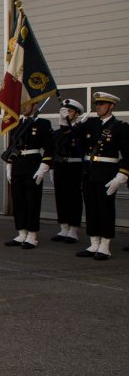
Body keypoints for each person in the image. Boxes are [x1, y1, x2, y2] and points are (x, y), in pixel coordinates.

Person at [72, 92, 129, 260]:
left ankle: (105, 245)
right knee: (91, 208)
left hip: (107, 172)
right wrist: (69, 121)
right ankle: (94, 243)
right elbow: (72, 135)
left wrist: (122, 174)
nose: (98, 106)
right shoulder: (90, 124)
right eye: (97, 104)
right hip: (90, 171)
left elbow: (128, 153)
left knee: (105, 208)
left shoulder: (120, 127)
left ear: (111, 106)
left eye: (102, 104)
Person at [4, 101, 54, 249]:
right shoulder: (17, 124)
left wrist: (43, 167)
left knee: (32, 200)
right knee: (18, 200)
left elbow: (50, 147)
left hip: (33, 163)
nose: (23, 107)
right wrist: (9, 166)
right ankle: (21, 233)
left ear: (35, 105)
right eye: (22, 104)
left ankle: (32, 235)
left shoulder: (43, 123)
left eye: (27, 104)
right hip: (18, 163)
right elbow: (12, 146)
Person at [51, 98, 85, 243]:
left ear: (77, 114)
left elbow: (77, 140)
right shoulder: (57, 132)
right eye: (64, 112)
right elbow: (54, 150)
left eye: (70, 111)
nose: (66, 114)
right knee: (61, 197)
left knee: (74, 198)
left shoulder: (81, 129)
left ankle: (73, 230)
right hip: (60, 166)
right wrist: (51, 168)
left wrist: (68, 126)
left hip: (75, 167)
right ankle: (63, 227)